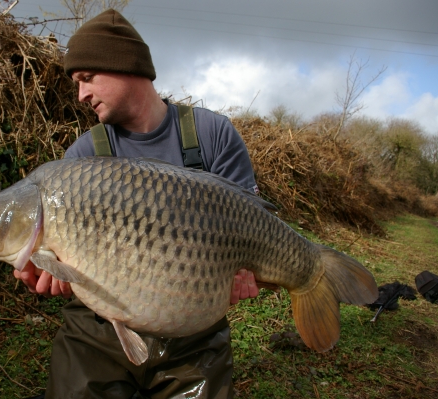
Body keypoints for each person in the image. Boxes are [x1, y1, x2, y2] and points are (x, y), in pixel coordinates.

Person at [14, 9, 260, 399]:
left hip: (192, 332)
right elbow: (55, 261)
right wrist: (54, 271)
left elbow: (251, 226)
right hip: (98, 332)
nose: (81, 95)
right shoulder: (81, 157)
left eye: (87, 79)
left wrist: (242, 272)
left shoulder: (212, 134)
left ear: (125, 65)